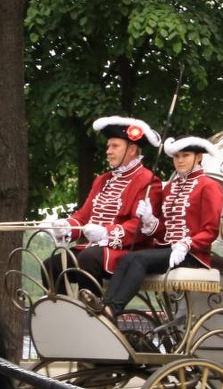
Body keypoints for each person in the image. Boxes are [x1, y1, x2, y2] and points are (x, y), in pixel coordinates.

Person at [100, 136, 223, 321]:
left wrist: (186, 244)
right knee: (127, 258)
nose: (180, 160)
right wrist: (150, 220)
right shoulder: (170, 187)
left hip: (192, 254)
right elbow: (164, 231)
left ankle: (112, 310)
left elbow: (210, 229)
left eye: (186, 155)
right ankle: (106, 307)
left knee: (138, 259)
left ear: (198, 157)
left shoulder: (209, 186)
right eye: (176, 156)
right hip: (167, 250)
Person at [43, 115, 163, 292]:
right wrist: (67, 226)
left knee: (88, 258)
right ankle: (62, 311)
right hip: (93, 250)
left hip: (126, 252)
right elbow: (83, 216)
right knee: (51, 265)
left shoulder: (148, 180)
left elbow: (139, 226)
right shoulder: (102, 180)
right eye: (108, 146)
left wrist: (106, 233)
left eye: (115, 146)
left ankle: (92, 310)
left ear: (132, 149)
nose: (108, 151)